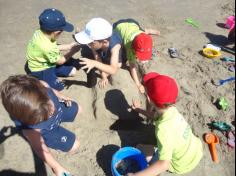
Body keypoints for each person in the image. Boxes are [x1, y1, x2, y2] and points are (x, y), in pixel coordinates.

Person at [0, 75, 81, 176]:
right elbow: (39, 147)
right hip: (48, 130)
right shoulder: (30, 129)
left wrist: (65, 98)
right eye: (43, 116)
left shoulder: (43, 85)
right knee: (75, 146)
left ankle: (59, 117)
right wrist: (56, 167)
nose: (52, 112)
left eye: (49, 105)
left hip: (60, 110)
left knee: (78, 108)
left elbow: (55, 92)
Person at [128, 72, 203, 176]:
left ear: (149, 99)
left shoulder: (163, 130)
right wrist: (139, 110)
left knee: (140, 148)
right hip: (195, 150)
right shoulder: (172, 110)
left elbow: (164, 164)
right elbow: (154, 116)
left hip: (180, 164)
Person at [75, 18, 160, 93]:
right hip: (121, 26)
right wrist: (104, 76)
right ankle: (146, 31)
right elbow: (96, 55)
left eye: (90, 42)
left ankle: (147, 31)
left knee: (119, 63)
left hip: (131, 26)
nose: (89, 45)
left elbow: (114, 69)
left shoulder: (116, 46)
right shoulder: (98, 43)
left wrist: (95, 63)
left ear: (104, 42)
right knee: (111, 59)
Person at [25, 8, 81, 91]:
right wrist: (73, 51)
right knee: (59, 87)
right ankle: (44, 79)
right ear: (57, 32)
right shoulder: (47, 47)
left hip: (43, 60)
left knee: (72, 71)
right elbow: (60, 61)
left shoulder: (39, 32)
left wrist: (68, 46)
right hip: (41, 70)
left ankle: (55, 71)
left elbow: (52, 47)